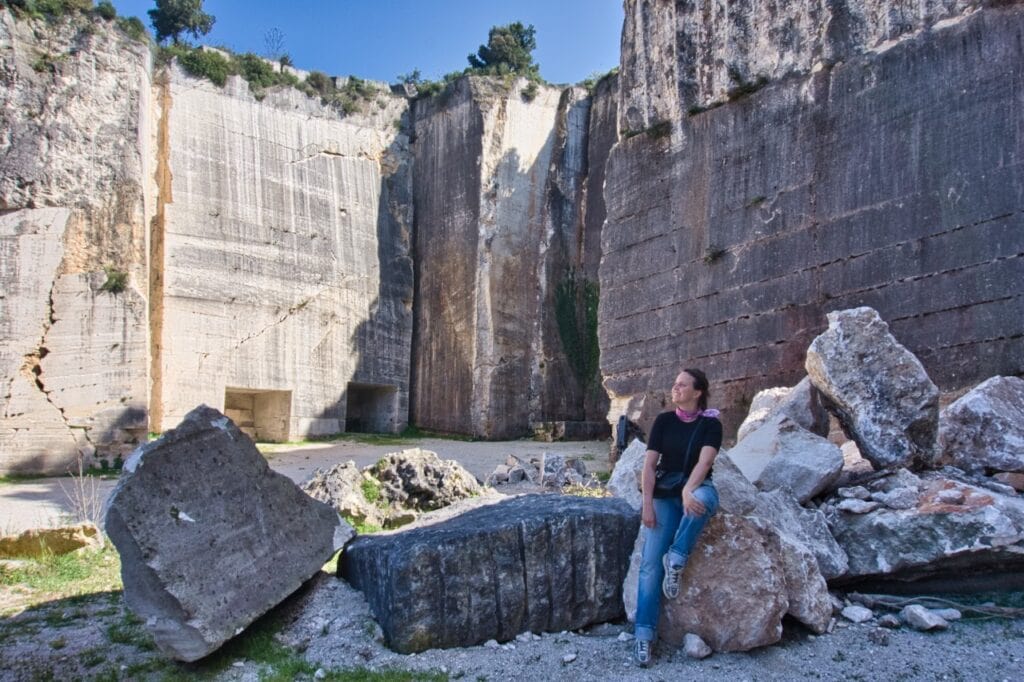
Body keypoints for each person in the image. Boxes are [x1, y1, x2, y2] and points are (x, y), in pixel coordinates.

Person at [633, 368, 722, 667]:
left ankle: (677, 557)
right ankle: (643, 637)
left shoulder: (711, 424)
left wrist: (688, 490)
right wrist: (647, 503)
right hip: (663, 493)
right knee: (648, 566)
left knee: (702, 500)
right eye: (674, 384)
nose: (676, 388)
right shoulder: (663, 421)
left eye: (682, 385)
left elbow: (705, 461)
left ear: (698, 392)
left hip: (695, 487)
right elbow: (649, 466)